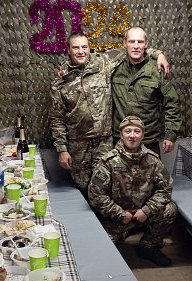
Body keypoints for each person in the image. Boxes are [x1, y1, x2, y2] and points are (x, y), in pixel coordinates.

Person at [48, 32, 169, 192]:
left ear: (89, 48)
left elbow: (131, 48)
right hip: (78, 145)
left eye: (84, 47)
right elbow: (56, 118)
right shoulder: (60, 81)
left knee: (104, 186)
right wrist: (62, 150)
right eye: (76, 48)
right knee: (83, 188)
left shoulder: (103, 63)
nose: (81, 51)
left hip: (104, 142)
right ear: (68, 50)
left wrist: (158, 54)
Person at [88, 115, 177, 267]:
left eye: (137, 131)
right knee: (100, 256)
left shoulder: (153, 160)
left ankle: (149, 247)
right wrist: (120, 214)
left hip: (143, 214)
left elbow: (165, 188)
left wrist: (147, 210)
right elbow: (96, 194)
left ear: (143, 135)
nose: (132, 135)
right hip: (116, 218)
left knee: (170, 209)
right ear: (121, 134)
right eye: (127, 131)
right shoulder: (108, 162)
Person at [111, 26, 182, 156]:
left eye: (140, 42)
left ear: (146, 44)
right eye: (131, 41)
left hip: (148, 139)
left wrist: (170, 134)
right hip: (120, 139)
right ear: (125, 43)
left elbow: (172, 103)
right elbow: (86, 56)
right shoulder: (113, 66)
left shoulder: (157, 70)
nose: (136, 46)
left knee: (153, 170)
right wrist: (158, 53)